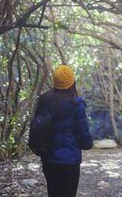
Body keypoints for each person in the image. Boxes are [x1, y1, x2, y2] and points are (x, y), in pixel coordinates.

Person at [34, 65, 93, 197]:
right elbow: (83, 134)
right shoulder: (77, 104)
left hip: (48, 158)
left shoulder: (44, 100)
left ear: (55, 82)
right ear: (72, 82)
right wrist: (87, 144)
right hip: (69, 160)